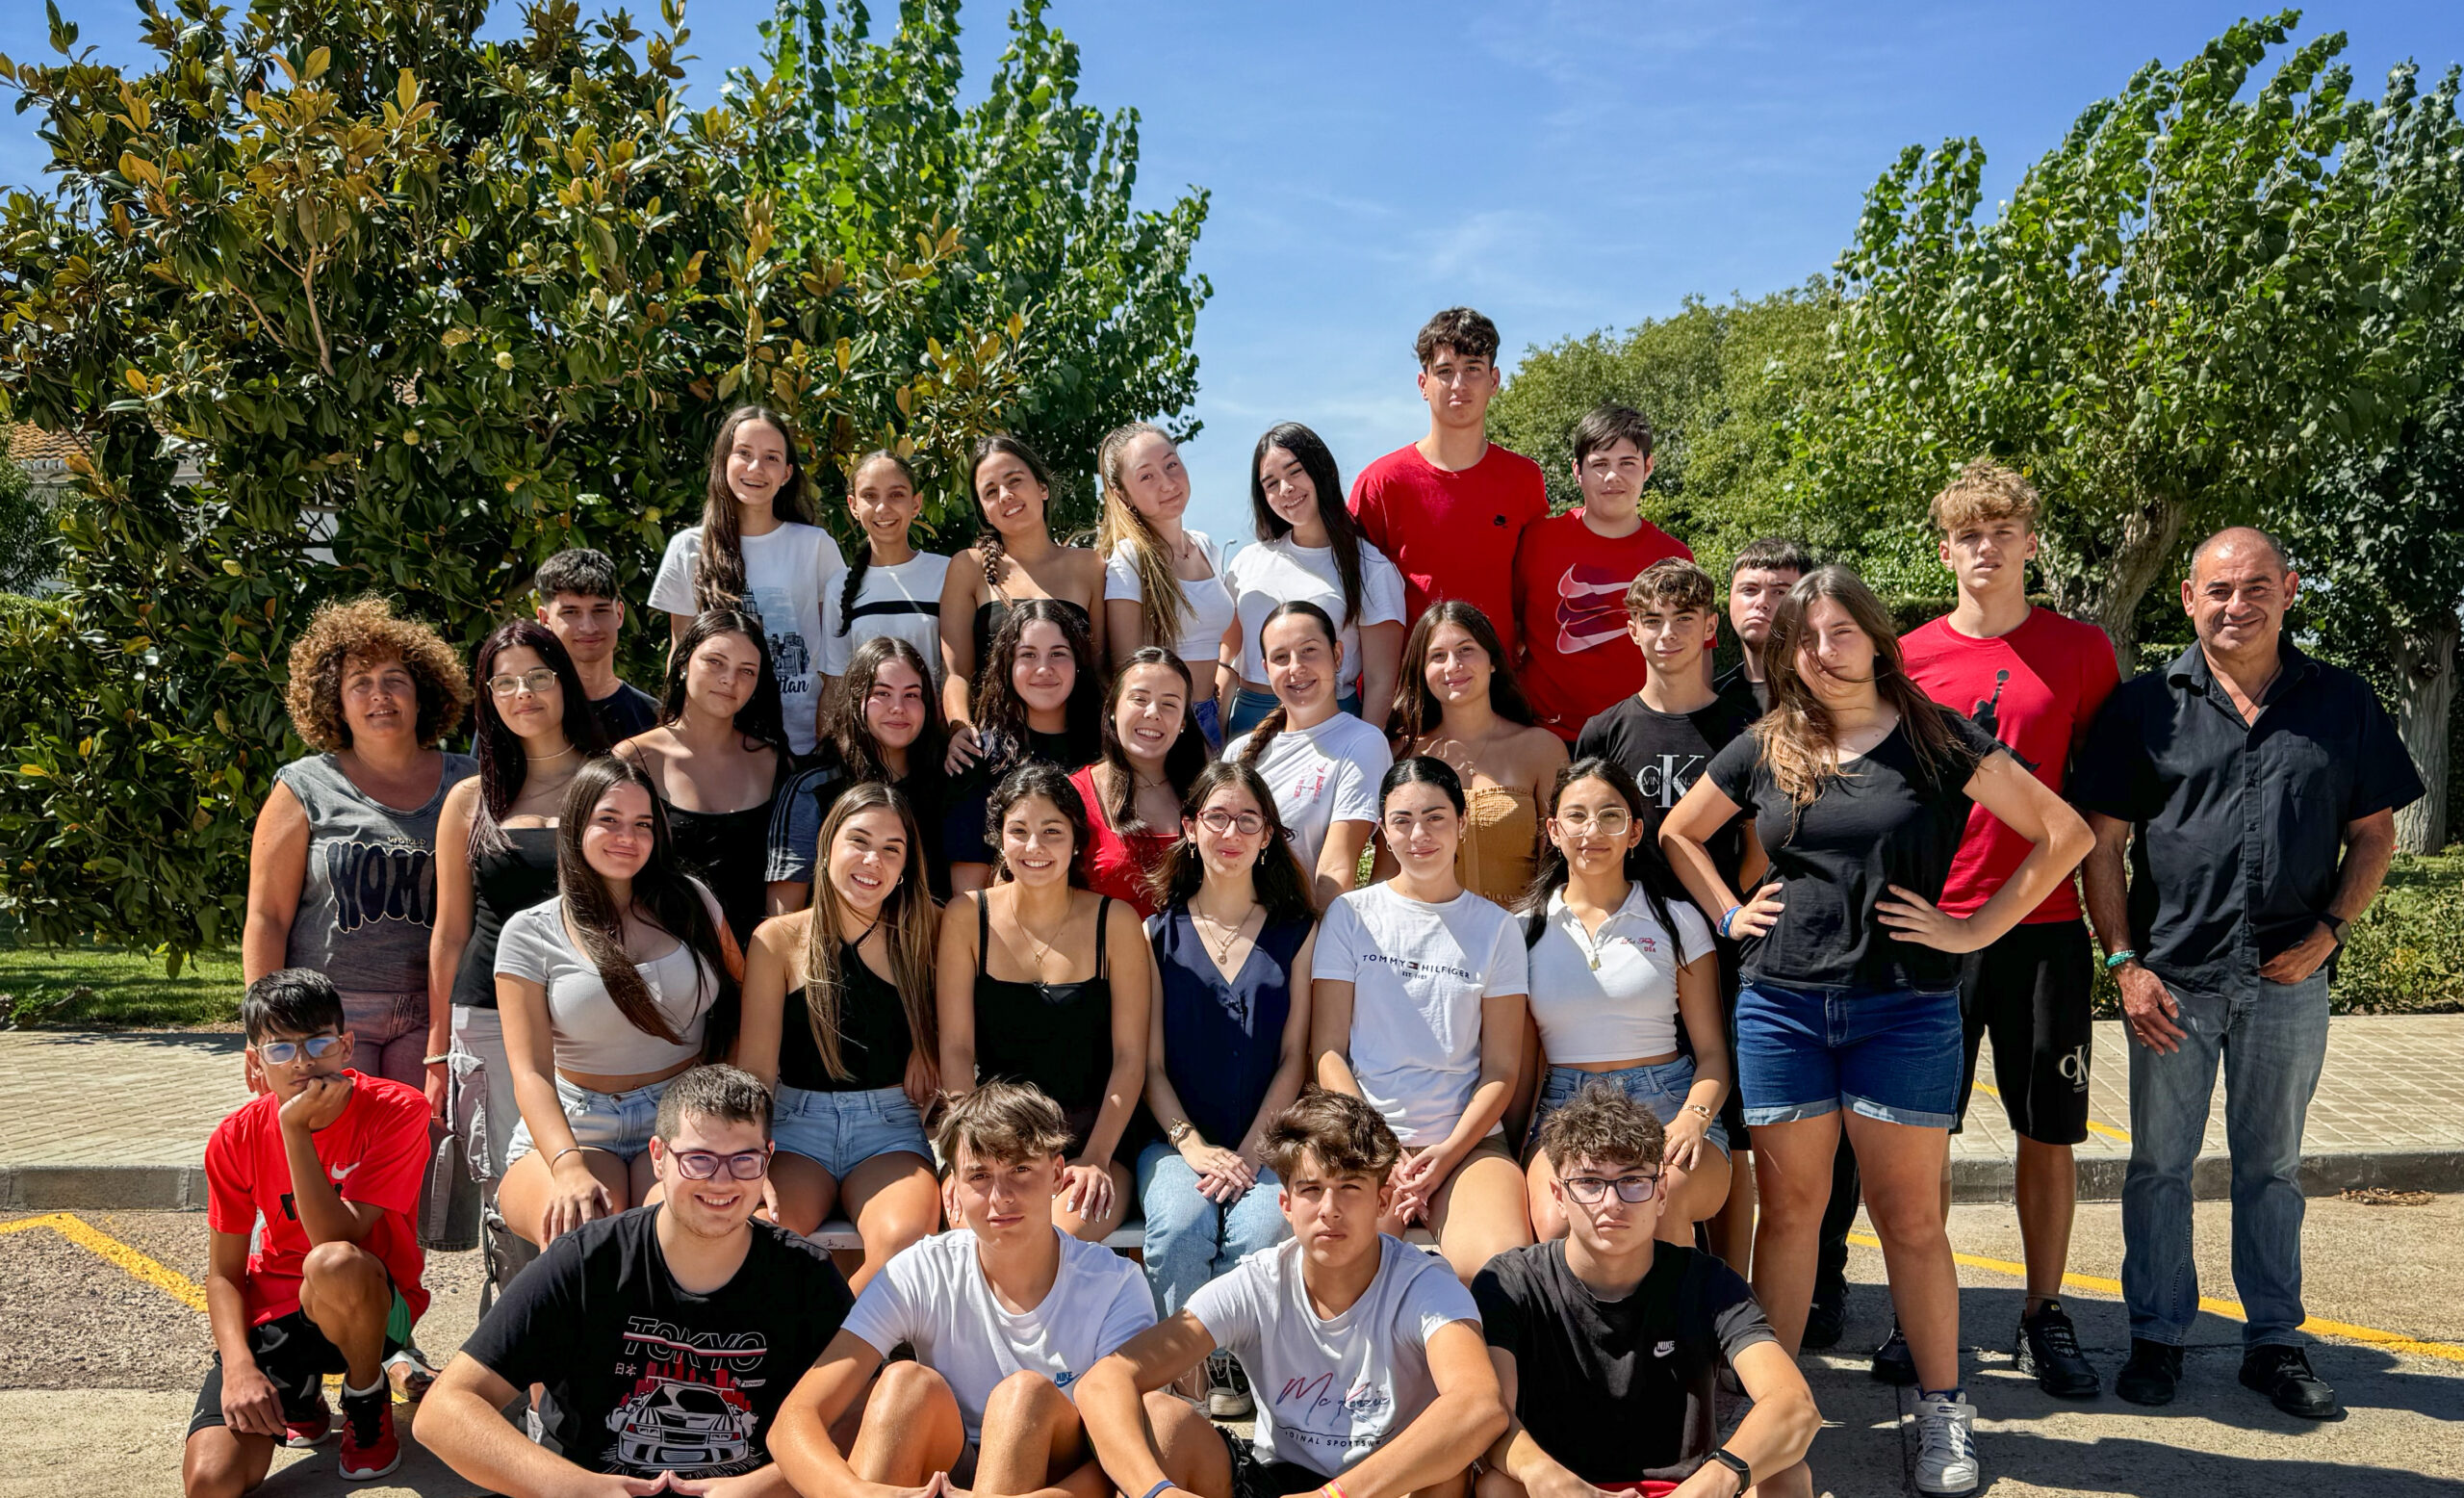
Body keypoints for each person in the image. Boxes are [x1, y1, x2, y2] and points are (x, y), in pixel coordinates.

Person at [1659, 565, 2092, 1498]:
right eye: (1804, 639)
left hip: (1905, 1005)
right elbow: (1679, 833)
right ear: (1785, 653)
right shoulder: (1769, 742)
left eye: (1840, 631)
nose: (1823, 652)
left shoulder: (1936, 734)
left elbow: (2064, 833)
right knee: (1791, 1215)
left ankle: (1942, 1404)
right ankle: (1771, 1417)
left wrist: (1973, 930)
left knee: (1911, 1219)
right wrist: (1730, 912)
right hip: (1781, 1006)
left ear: (1874, 635)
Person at [2074, 526, 2421, 1419]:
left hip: (2288, 982)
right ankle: (2157, 1335)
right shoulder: (2145, 705)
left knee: (2273, 1168)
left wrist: (2332, 932)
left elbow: (2374, 834)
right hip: (2172, 982)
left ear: (2289, 590)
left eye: (2257, 586)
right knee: (2159, 1167)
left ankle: (2273, 1343)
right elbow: (2103, 845)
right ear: (2189, 598)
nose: (2238, 604)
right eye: (2219, 589)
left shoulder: (2341, 701)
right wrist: (2124, 964)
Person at [1898, 460, 2119, 1397]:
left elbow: (2101, 810)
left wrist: (2120, 941)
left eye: (2001, 532)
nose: (1984, 548)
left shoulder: (2083, 651)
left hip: (2045, 928)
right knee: (1920, 1136)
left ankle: (2043, 1311)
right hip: (1932, 926)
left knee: (2047, 1131)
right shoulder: (1906, 657)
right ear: (1945, 550)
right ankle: (1920, 1312)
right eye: (1967, 535)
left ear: (2030, 542)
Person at [414, 1065, 855, 1493]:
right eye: (699, 1159)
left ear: (767, 1159)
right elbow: (444, 1411)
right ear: (659, 1157)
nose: (721, 1181)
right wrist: (580, 1488)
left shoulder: (805, 1274)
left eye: (744, 1159)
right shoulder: (585, 1262)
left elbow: (859, 1414)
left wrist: (761, 1487)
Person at [1074, 1089, 1506, 1498]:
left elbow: (1479, 1406)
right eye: (1311, 1189)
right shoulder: (1256, 1283)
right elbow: (1104, 1382)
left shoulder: (1425, 1284)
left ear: (1382, 1201)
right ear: (1286, 1205)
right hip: (1279, 1479)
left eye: (1350, 1187)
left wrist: (1335, 1495)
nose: (1329, 1210)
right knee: (1162, 1416)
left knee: (1450, 1468)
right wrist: (1156, 1491)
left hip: (1387, 1485)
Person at [766, 1083, 1158, 1498]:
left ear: (1058, 1174)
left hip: (1056, 1478)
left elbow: (1134, 1455)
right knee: (904, 1383)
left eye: (1020, 1170)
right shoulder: (921, 1269)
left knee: (1023, 1396)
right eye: (980, 1176)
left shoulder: (1116, 1285)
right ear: (954, 1183)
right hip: (950, 1463)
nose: (1000, 1198)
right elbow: (796, 1418)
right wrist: (855, 1492)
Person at [1474, 1084, 1818, 1498]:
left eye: (1633, 1181)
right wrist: (1552, 1480)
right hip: (1563, 1489)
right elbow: (1492, 1416)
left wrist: (1716, 1480)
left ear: (1661, 1193)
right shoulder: (1512, 1281)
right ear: (1559, 1196)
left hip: (1685, 1490)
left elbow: (1794, 1405)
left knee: (1786, 1475)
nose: (1611, 1203)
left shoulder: (1707, 1281)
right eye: (1589, 1182)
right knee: (1497, 1487)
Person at [1573, 558, 1766, 1278]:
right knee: (1653, 1137)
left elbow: (1763, 838)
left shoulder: (1748, 726)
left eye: (1684, 619)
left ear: (1711, 626)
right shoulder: (1606, 729)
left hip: (1727, 945)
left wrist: (1741, 906)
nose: (1667, 634)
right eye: (1651, 620)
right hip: (1635, 952)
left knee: (1732, 1133)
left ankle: (1731, 1289)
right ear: (1631, 630)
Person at [186, 970, 432, 1495]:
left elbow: (335, 1238)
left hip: (373, 1303)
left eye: (319, 1043)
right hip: (278, 1310)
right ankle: (299, 1395)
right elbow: (224, 1274)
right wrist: (240, 1368)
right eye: (280, 1049)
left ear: (346, 1045)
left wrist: (293, 1129)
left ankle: (365, 1398)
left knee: (333, 1263)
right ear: (255, 1061)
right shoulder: (233, 1137)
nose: (302, 1062)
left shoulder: (400, 1109)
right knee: (212, 1482)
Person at [494, 758, 740, 1248]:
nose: (628, 837)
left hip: (683, 1111)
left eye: (643, 824)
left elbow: (745, 1003)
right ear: (576, 824)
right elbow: (531, 1073)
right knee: (583, 1235)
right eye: (609, 820)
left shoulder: (693, 902)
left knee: (675, 1236)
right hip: (578, 1123)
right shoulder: (529, 932)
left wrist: (721, 1112)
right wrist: (567, 1166)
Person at [1137, 760, 1318, 1417]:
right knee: (1180, 1228)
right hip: (1175, 1143)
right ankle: (1181, 1391)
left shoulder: (1298, 932)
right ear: (1190, 827)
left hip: (1265, 1141)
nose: (1231, 833)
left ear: (1268, 834)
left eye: (1248, 820)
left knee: (1266, 1228)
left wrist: (1248, 1152)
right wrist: (1193, 1148)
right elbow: (1149, 1067)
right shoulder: (1156, 933)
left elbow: (1295, 1057)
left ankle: (1237, 1369)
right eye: (1217, 817)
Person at [245, 597, 475, 1098]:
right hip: (323, 1017)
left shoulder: (470, 782)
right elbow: (267, 917)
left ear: (423, 693)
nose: (380, 695)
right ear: (336, 701)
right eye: (360, 683)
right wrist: (263, 1032)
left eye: (395, 679)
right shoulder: (305, 785)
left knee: (417, 1144)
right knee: (334, 1144)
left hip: (434, 1010)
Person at [1314, 757, 1533, 1282]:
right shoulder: (1350, 916)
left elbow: (1502, 1069)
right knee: (1349, 1273)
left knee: (1500, 1275)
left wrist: (1447, 1154)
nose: (1419, 835)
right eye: (1403, 820)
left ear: (1462, 823)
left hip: (1468, 1146)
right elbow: (1327, 1052)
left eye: (1435, 818)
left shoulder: (1498, 929)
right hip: (1366, 1140)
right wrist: (1381, 1148)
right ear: (1383, 832)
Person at [1519, 759, 1731, 1247]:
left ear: (1635, 831)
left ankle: (1675, 1304)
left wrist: (1693, 1119)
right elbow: (1519, 1063)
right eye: (1576, 816)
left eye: (1610, 816)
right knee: (1558, 1223)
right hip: (1565, 1107)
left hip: (1668, 1100)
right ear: (1553, 831)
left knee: (1657, 1201)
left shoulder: (1677, 920)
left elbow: (1714, 1054)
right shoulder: (1522, 929)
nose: (1592, 831)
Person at [737, 784, 941, 1289]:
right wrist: (746, 1155)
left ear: (905, 866)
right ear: (828, 845)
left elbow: (968, 1026)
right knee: (758, 1234)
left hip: (889, 1129)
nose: (873, 860)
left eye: (892, 849)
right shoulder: (779, 938)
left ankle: (832, 1340)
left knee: (905, 1243)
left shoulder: (929, 931)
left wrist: (929, 1046)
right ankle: (820, 1337)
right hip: (795, 1128)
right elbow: (756, 1070)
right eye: (859, 841)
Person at [938, 764, 1154, 1240]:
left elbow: (1130, 1058)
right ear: (999, 838)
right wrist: (966, 1155)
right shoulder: (966, 916)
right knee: (976, 1239)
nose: (1034, 847)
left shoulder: (1115, 922)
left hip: (1092, 1139)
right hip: (992, 1137)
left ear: (1076, 840)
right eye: (1019, 831)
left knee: (1048, 1240)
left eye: (1052, 832)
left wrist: (1096, 1157)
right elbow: (955, 1049)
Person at [430, 621, 610, 1182]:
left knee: (590, 1178)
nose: (523, 693)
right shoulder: (469, 799)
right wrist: (438, 1051)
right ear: (488, 698)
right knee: (510, 1184)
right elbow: (450, 931)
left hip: (591, 1009)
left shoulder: (612, 783)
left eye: (538, 677)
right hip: (488, 1015)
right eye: (504, 683)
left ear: (565, 683)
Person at [1349, 307, 1548, 659]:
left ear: (1494, 381)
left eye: (1473, 368)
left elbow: (1533, 593)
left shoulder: (1524, 479)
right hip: (1407, 683)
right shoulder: (1380, 483)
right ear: (1423, 385)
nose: (1459, 384)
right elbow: (1352, 593)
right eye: (1444, 371)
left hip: (1497, 681)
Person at [649, 405, 846, 758]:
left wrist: (828, 738)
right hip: (715, 746)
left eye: (771, 458)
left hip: (802, 744)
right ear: (723, 462)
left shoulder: (815, 546)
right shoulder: (688, 548)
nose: (756, 468)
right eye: (744, 453)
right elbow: (680, 654)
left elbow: (837, 653)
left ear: (786, 473)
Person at [1511, 404, 1692, 741]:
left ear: (1648, 467)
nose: (1612, 477)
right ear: (1577, 471)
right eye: (1599, 464)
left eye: (1627, 463)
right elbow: (1514, 630)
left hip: (1640, 738)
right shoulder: (1536, 541)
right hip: (1546, 736)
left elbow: (1696, 656)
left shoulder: (1674, 557)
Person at [618, 608, 792, 948]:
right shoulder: (634, 759)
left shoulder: (775, 763)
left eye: (747, 671)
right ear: (683, 662)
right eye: (715, 662)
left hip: (757, 958)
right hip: (662, 957)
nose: (729, 679)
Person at [1226, 422, 1406, 734]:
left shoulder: (1371, 568)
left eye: (1295, 472)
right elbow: (1227, 657)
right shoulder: (1247, 561)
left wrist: (1371, 747)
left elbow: (1381, 680)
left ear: (1322, 470)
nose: (1285, 489)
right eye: (1271, 483)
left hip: (1333, 727)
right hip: (1247, 723)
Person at [1385, 601, 1566, 909]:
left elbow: (1557, 866)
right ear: (1422, 670)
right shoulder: (1400, 754)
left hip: (1519, 928)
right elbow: (1387, 870)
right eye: (1437, 656)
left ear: (1492, 661)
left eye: (1466, 650)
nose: (1452, 666)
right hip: (1427, 929)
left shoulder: (1541, 749)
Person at [938, 433, 1108, 760]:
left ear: (1042, 488)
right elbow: (956, 673)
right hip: (996, 751)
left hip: (1082, 747)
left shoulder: (1089, 565)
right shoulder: (967, 566)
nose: (1005, 495)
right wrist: (961, 728)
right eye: (990, 491)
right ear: (985, 511)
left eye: (1014, 480)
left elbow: (1100, 669)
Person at [1225, 601, 1393, 910]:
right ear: (1266, 669)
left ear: (1337, 655)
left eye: (1309, 651)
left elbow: (1336, 869)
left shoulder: (1363, 743)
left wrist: (1322, 938)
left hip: (1303, 929)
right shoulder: (1238, 752)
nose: (1295, 667)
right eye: (1280, 657)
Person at [768, 635, 949, 911]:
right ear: (856, 699)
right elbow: (783, 916)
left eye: (911, 695)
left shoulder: (946, 782)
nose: (898, 708)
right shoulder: (814, 787)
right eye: (882, 693)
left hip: (927, 936)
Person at [941, 599, 1106, 891]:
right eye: (1028, 655)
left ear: (1078, 663)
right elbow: (968, 895)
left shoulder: (1106, 753)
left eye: (1058, 654)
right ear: (1007, 665)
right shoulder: (976, 755)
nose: (1044, 668)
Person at [1099, 422, 1238, 745]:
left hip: (1210, 715)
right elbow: (1127, 669)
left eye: (1171, 465)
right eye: (1146, 476)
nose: (1167, 483)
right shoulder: (1130, 558)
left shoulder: (1205, 546)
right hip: (1162, 727)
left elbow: (1229, 639)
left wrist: (1221, 692)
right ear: (1122, 494)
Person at [1071, 647, 1209, 918]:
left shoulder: (1208, 795)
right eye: (1139, 699)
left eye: (1169, 704)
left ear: (1183, 722)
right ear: (1113, 708)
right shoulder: (1073, 794)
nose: (1153, 712)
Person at [822, 449, 950, 691]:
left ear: (916, 503)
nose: (882, 507)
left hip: (933, 716)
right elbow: (835, 683)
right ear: (853, 506)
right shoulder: (838, 587)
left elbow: (958, 672)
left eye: (896, 495)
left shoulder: (946, 573)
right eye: (870, 496)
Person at [531, 548, 662, 741]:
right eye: (571, 612)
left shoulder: (654, 719)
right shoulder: (525, 714)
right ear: (545, 619)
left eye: (600, 611)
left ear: (619, 614)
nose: (588, 627)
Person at [1714, 538, 1812, 715]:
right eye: (1749, 590)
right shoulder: (1712, 702)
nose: (1762, 602)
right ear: (1730, 598)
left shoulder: (1829, 695)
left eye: (1779, 592)